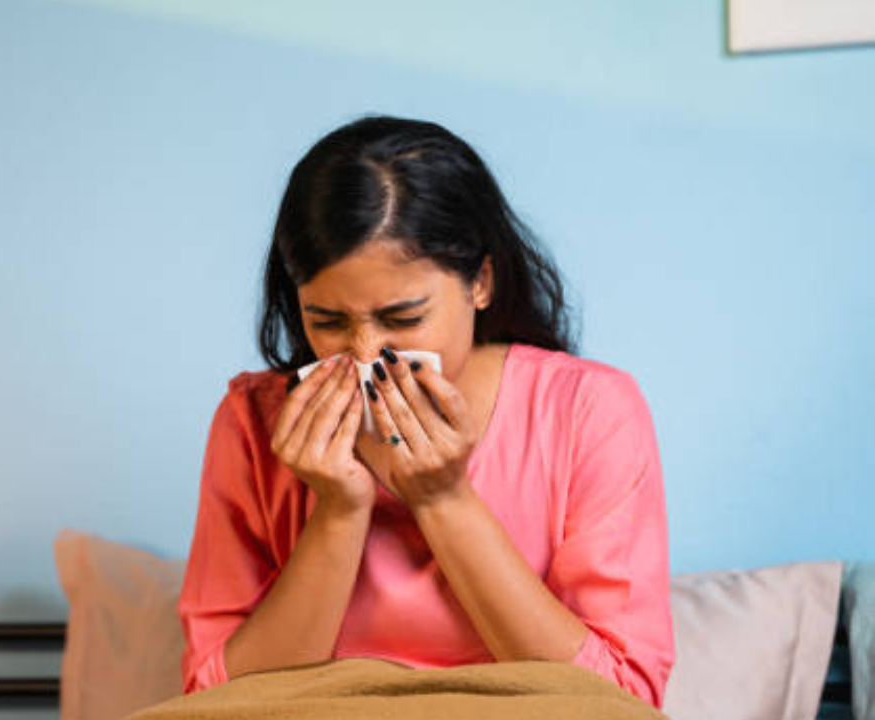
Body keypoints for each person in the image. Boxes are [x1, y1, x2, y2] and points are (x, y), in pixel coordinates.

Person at [177, 115, 675, 709]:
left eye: (404, 319)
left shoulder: (587, 411)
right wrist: (337, 513)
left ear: (481, 282)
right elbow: (210, 696)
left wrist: (443, 499)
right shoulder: (252, 422)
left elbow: (620, 695)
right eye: (327, 322)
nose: (365, 354)